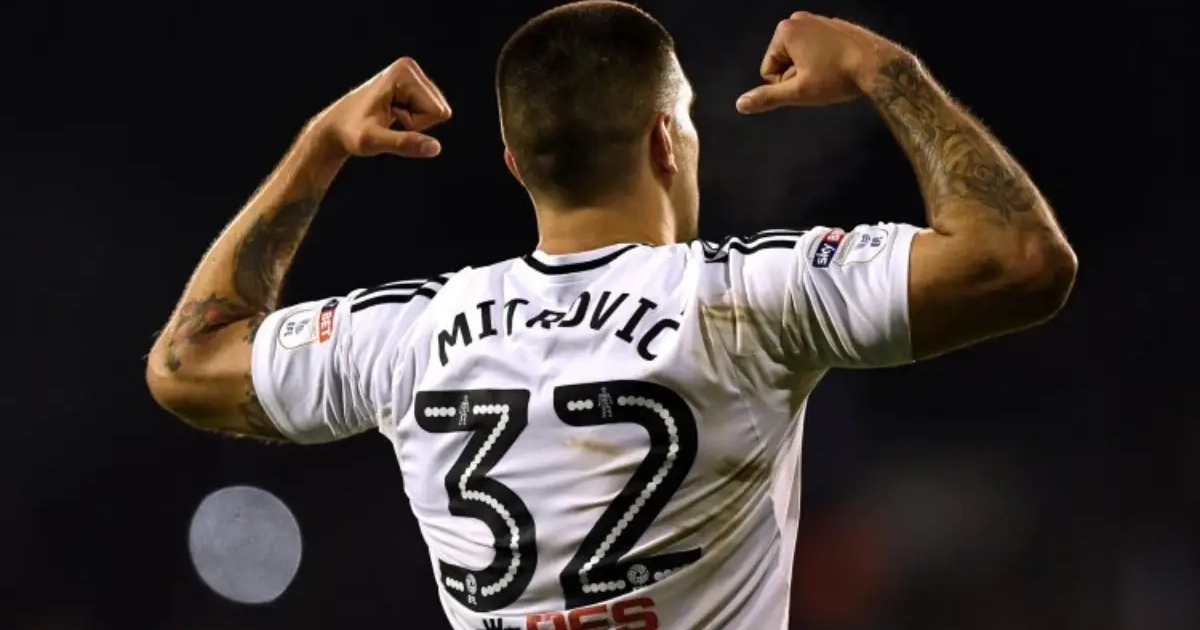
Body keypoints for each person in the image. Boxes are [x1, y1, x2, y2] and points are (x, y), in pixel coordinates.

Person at [145, 2, 1077, 628]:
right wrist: (887, 69)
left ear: (516, 165)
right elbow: (1021, 261)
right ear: (667, 139)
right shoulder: (745, 298)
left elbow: (186, 364)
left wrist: (318, 147)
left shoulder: (409, 333)